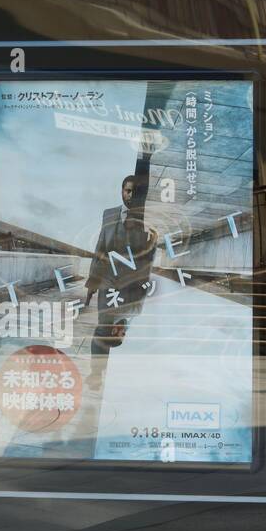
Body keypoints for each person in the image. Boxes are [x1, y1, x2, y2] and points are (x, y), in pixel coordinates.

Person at [84, 149, 157, 388]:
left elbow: (144, 267)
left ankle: (96, 373)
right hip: (108, 281)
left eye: (134, 191)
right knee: (102, 331)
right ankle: (97, 373)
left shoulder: (141, 214)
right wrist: (92, 284)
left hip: (113, 288)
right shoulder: (109, 214)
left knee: (100, 331)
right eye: (127, 189)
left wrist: (144, 159)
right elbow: (100, 246)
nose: (130, 194)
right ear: (121, 191)